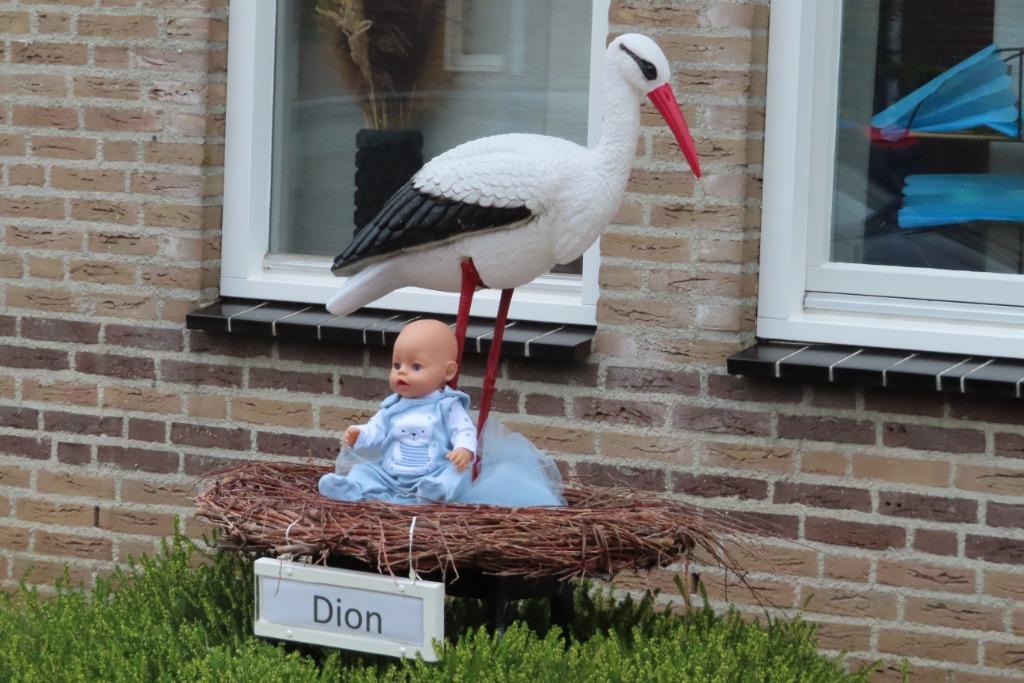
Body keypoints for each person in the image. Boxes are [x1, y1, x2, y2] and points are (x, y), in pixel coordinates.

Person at [318, 319, 476, 503]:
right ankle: (353, 487)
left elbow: (463, 429)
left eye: (416, 367)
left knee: (455, 472)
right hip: (389, 474)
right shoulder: (392, 406)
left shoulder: (447, 405)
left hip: (433, 472)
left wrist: (463, 448)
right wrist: (360, 434)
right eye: (397, 365)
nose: (402, 372)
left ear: (447, 372)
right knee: (364, 469)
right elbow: (377, 428)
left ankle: (436, 492)